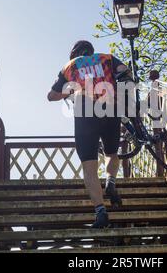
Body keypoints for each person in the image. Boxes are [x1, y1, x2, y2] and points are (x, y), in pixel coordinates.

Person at [47, 40, 130, 228]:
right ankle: (111, 181)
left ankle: (101, 212)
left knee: (89, 166)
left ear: (74, 53)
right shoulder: (106, 58)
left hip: (85, 115)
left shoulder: (69, 66)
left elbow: (51, 96)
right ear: (91, 50)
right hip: (110, 109)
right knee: (111, 153)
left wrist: (70, 90)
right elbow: (125, 71)